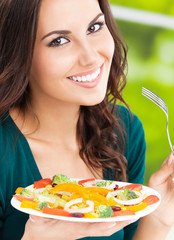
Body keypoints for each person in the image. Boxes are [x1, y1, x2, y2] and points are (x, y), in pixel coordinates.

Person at [0, 0, 174, 239]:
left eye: (94, 28)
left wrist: (158, 219)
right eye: (59, 41)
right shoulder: (4, 154)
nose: (91, 57)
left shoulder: (124, 131)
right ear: (18, 54)